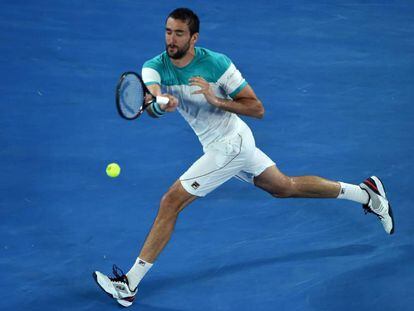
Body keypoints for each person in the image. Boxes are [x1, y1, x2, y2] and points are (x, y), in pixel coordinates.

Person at [93, 8, 394, 307]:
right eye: (168, 31)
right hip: (219, 146)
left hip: (231, 145)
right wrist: (162, 103)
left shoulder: (218, 64)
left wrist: (215, 99)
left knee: (171, 201)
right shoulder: (154, 66)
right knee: (284, 187)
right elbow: (155, 97)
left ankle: (129, 284)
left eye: (179, 33)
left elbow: (257, 108)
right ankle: (366, 194)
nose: (171, 39)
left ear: (193, 37)